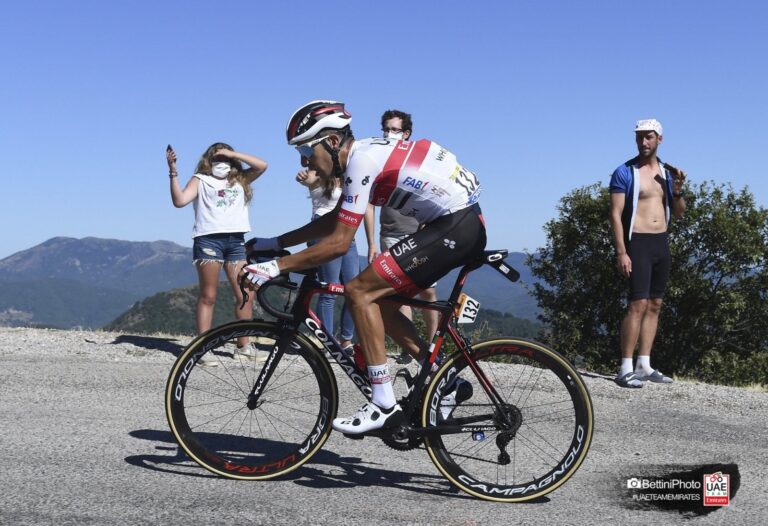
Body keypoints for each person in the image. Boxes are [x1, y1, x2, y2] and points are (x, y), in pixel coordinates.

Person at [243, 100, 484, 433]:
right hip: (458, 225)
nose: (304, 161)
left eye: (306, 151)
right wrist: (275, 243)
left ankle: (383, 403)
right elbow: (334, 222)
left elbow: (340, 243)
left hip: (456, 225)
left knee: (358, 291)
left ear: (330, 142)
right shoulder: (364, 155)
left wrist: (276, 266)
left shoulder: (362, 161)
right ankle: (444, 379)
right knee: (379, 301)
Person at [167, 142, 268, 366]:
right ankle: (202, 348)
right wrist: (173, 172)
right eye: (216, 158)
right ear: (208, 160)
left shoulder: (240, 179)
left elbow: (262, 165)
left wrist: (232, 153)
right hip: (208, 240)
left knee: (245, 294)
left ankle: (244, 345)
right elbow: (180, 201)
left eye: (225, 159)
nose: (221, 163)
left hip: (235, 241)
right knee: (209, 295)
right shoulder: (201, 180)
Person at [609, 119, 686, 388]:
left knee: (655, 304)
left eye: (649, 137)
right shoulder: (625, 171)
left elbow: (678, 212)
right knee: (637, 304)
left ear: (659, 139)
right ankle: (625, 367)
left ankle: (644, 364)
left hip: (661, 242)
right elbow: (615, 215)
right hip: (637, 242)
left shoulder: (666, 173)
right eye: (640, 137)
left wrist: (676, 190)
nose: (643, 142)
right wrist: (621, 252)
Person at [371, 109, 439, 364]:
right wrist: (371, 243)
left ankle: (434, 347)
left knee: (428, 294)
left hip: (419, 233)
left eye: (394, 130)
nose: (389, 134)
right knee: (400, 296)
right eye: (386, 129)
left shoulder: (417, 160)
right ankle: (409, 349)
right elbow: (370, 202)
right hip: (389, 233)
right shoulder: (379, 161)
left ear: (406, 133)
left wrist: (426, 233)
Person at [295, 167, 363, 353]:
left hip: (348, 235)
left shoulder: (350, 178)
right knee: (329, 289)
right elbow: (306, 178)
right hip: (323, 233)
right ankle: (328, 340)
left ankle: (346, 340)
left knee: (353, 289)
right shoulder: (319, 174)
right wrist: (302, 178)